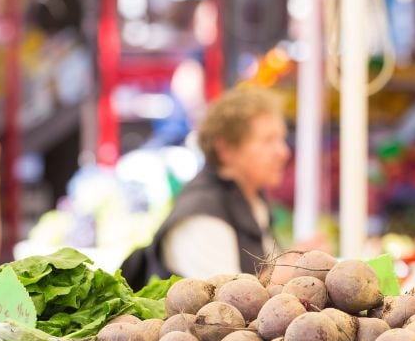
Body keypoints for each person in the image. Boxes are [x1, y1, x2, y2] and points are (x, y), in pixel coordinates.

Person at [121, 87, 291, 288]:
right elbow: (227, 304)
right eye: (268, 141)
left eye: (281, 139)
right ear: (225, 148)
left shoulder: (252, 198)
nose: (283, 152)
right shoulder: (201, 217)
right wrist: (285, 274)